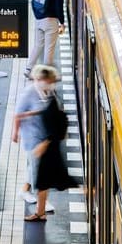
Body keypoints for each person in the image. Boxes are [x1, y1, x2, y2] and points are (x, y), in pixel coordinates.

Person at [26, 67, 78, 221]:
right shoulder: (50, 97)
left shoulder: (52, 100)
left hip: (49, 149)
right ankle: (40, 213)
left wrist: (44, 144)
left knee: (56, 181)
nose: (37, 83)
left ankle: (93, 190)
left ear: (47, 81)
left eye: (39, 80)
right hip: (49, 147)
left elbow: (55, 125)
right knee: (45, 182)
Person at [12, 65, 55, 211]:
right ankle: (41, 202)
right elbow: (18, 113)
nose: (48, 82)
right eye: (45, 79)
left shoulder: (47, 91)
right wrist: (15, 133)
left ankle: (24, 190)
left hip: (43, 136)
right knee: (38, 169)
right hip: (32, 137)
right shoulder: (28, 93)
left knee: (34, 166)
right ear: (38, 78)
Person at [24, 0, 64, 78]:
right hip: (51, 21)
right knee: (49, 48)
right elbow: (59, 8)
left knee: (37, 46)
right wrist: (62, 23)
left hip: (39, 20)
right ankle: (46, 75)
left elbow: (33, 2)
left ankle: (28, 69)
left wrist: (38, 16)